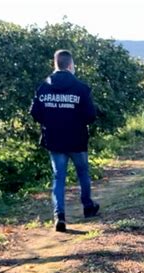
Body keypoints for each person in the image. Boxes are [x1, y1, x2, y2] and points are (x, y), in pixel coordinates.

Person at [30, 49, 99, 232]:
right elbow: (91, 115)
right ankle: (88, 207)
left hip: (54, 140)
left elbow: (35, 113)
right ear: (70, 65)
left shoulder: (43, 87)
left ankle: (59, 215)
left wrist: (51, 121)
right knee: (83, 173)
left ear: (55, 64)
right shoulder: (81, 88)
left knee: (58, 177)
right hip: (77, 139)